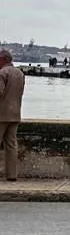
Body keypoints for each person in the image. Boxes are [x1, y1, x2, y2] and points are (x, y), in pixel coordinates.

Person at [0, 49, 26, 182]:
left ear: (3, 60)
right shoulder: (20, 73)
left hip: (1, 114)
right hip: (15, 113)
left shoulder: (2, 73)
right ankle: (11, 174)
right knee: (11, 144)